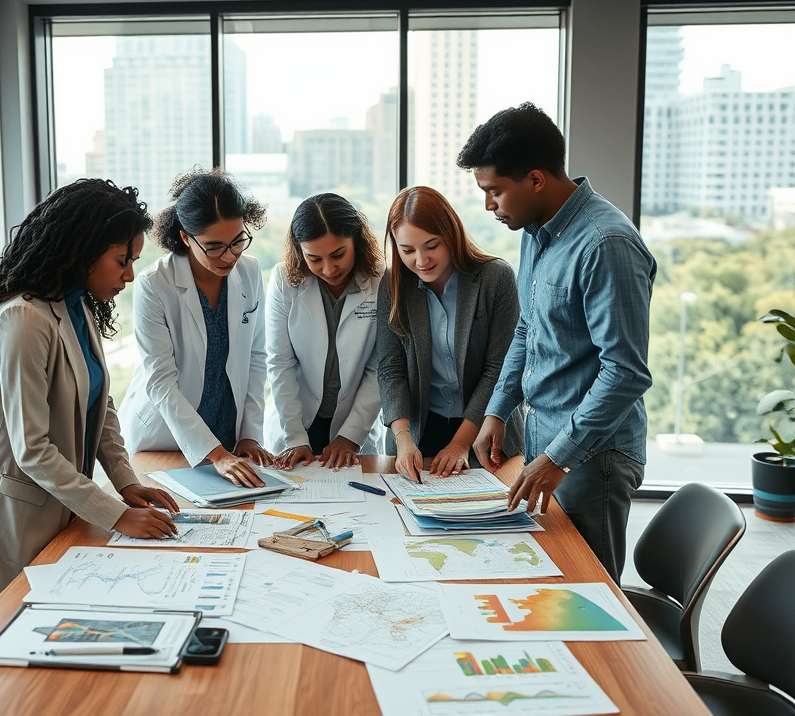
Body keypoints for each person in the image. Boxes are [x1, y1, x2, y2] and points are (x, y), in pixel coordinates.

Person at [0, 179, 180, 613]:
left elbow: (101, 405)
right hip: (20, 515)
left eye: (133, 260)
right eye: (122, 260)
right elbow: (33, 450)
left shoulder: (74, 302)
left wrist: (126, 481)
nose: (130, 275)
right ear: (83, 250)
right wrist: (116, 514)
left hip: (63, 503)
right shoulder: (22, 320)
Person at [458, 102, 656, 584]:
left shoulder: (605, 243)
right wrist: (497, 411)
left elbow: (626, 372)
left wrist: (559, 455)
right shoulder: (535, 229)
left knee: (590, 593)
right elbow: (528, 328)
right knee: (550, 585)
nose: (489, 206)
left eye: (495, 192)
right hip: (548, 442)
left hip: (594, 454)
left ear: (536, 179)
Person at [118, 168, 273, 488]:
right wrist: (215, 454)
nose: (229, 256)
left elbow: (256, 358)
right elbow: (160, 381)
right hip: (166, 440)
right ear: (186, 237)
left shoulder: (250, 271)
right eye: (214, 246)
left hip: (228, 435)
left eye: (237, 241)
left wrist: (249, 437)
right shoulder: (154, 285)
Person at [376, 185, 523, 483]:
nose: (421, 261)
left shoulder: (495, 278)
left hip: (483, 430)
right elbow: (391, 368)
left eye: (432, 246)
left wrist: (460, 444)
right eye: (407, 250)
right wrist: (403, 438)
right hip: (417, 433)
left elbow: (499, 370)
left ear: (451, 235)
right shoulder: (393, 285)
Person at [266, 193, 385, 470]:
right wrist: (295, 437)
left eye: (338, 255)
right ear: (299, 251)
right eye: (314, 259)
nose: (329, 269)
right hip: (296, 422)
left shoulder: (381, 281)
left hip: (354, 427)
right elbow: (280, 363)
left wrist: (350, 436)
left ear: (356, 239)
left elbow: (379, 368)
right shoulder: (284, 280)